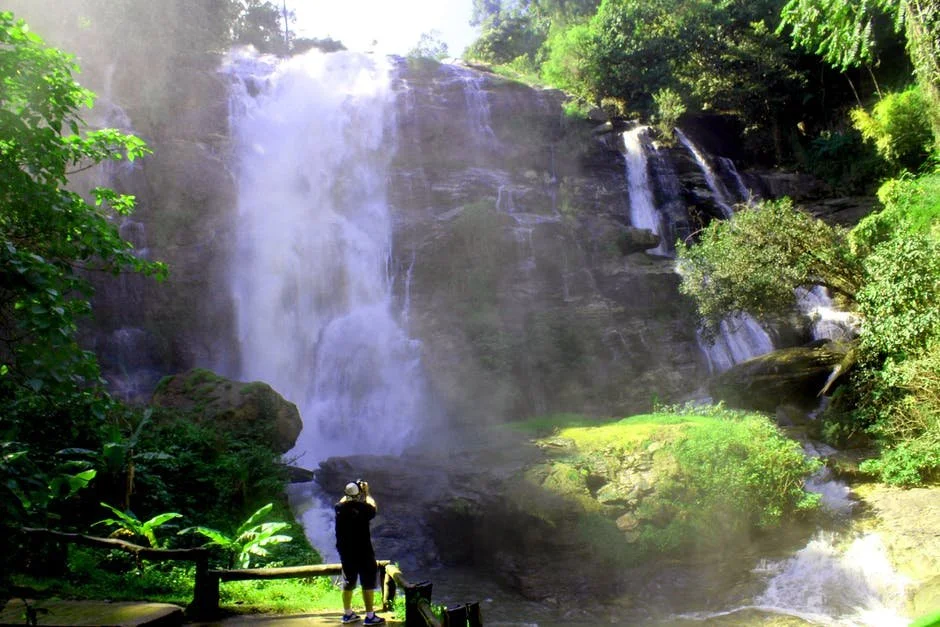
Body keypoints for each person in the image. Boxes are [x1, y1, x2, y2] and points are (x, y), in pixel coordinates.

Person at [335, 479, 384, 625]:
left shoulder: (339, 508)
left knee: (348, 582)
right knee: (368, 582)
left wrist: (352, 490)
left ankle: (347, 614)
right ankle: (370, 616)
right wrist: (366, 492)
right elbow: (373, 506)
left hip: (346, 552)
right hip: (364, 551)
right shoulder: (364, 509)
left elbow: (344, 499)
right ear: (358, 495)